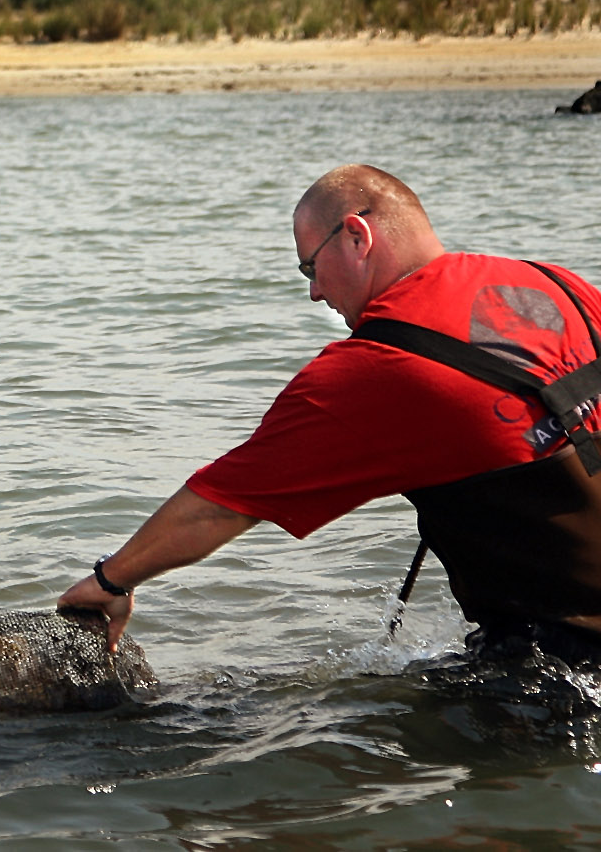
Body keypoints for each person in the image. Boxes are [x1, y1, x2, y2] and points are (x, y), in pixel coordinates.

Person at [59, 165, 601, 663]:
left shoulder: (377, 365)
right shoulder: (560, 284)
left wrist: (109, 581)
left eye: (309, 267)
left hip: (565, 660)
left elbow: (219, 507)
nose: (315, 292)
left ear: (357, 237)